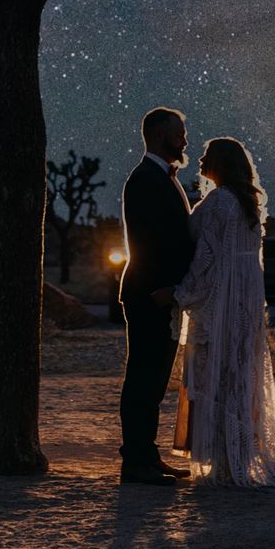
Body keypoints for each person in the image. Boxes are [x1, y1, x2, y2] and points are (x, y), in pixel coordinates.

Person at [152, 137, 275, 488]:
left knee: (214, 380)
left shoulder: (217, 205)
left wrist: (180, 295)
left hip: (221, 310)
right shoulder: (247, 207)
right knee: (239, 379)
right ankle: (236, 457)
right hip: (243, 310)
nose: (199, 159)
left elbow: (206, 262)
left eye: (207, 156)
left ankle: (224, 463)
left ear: (222, 164)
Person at [116, 106, 195, 485]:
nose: (184, 139)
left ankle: (146, 457)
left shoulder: (162, 177)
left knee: (154, 380)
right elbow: (150, 243)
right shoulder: (145, 179)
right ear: (160, 133)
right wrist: (161, 290)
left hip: (162, 294)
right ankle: (135, 462)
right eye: (179, 132)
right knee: (143, 380)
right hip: (151, 294)